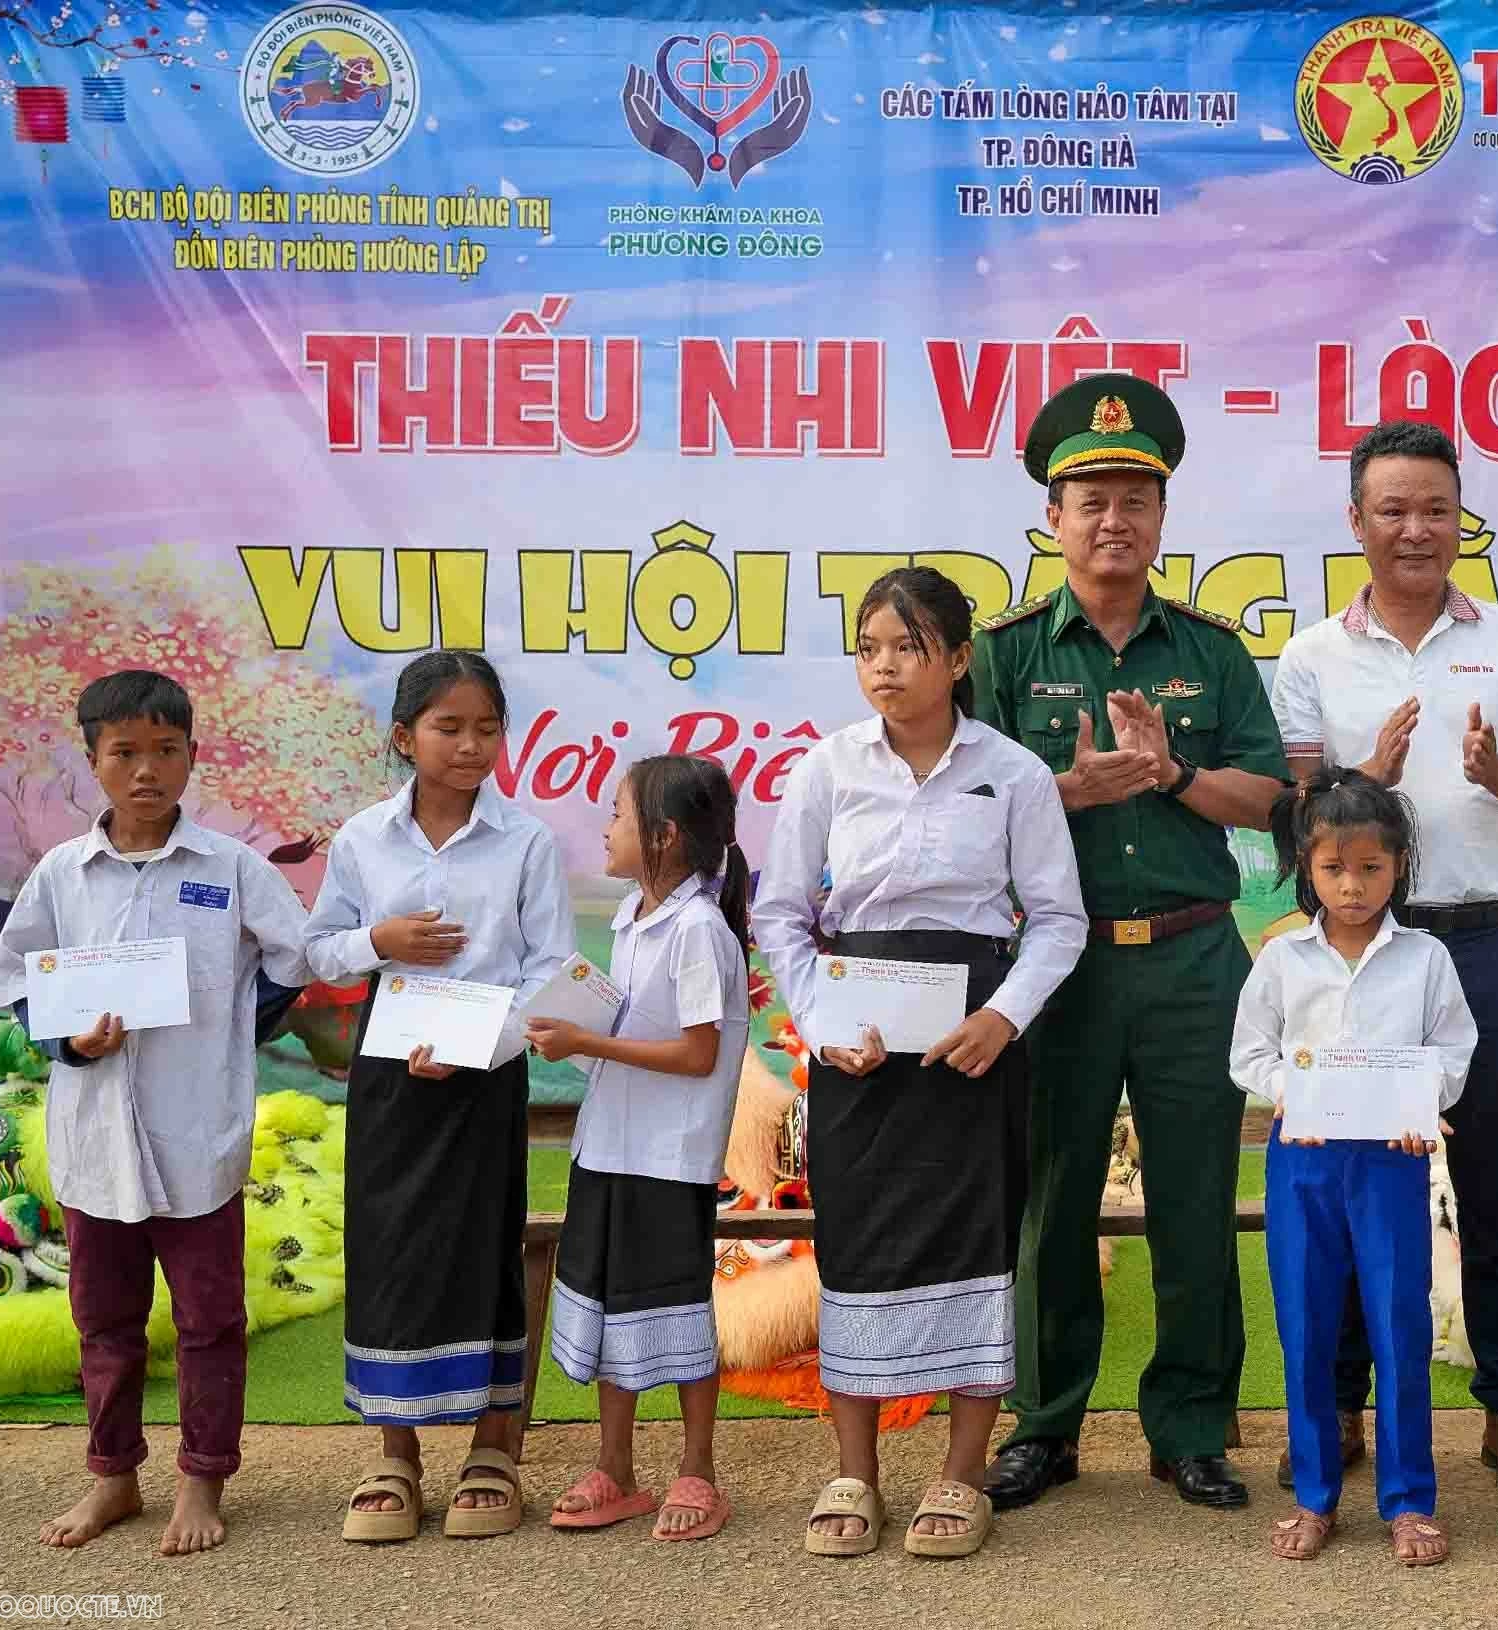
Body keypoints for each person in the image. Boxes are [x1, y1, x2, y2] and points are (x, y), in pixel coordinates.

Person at [974, 373, 1287, 1514]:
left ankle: (1194, 1426)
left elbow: (1269, 797)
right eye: (1090, 497)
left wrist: (1172, 774)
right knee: (1051, 1200)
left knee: (1197, 1198)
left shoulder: (1209, 652)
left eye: (1136, 498)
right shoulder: (1002, 653)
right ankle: (1045, 1425)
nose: (1114, 519)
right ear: (1051, 518)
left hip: (1197, 959)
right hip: (1057, 963)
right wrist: (1072, 787)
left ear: (1163, 518)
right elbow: (966, 807)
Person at [1269, 418, 1498, 1496]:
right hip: (1366, 956)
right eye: (1392, 509)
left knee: (1495, 1192)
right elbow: (1299, 817)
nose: (1416, 529)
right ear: (1356, 522)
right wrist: (1367, 775)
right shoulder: (1311, 656)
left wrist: (1497, 771)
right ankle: (1345, 1410)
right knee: (1361, 1181)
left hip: (1490, 943)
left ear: (1463, 522)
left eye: (1436, 509)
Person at [754, 566, 1086, 1558]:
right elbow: (781, 915)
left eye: (906, 646)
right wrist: (818, 1022)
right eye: (868, 648)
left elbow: (1059, 922)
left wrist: (1005, 1018)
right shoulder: (827, 768)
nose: (885, 666)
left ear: (955, 657)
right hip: (858, 1047)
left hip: (972, 1044)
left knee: (977, 1238)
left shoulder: (1012, 773)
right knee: (858, 1241)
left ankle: (959, 1473)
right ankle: (855, 1470)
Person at [0, 670, 311, 1556]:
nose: (146, 770)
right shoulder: (63, 872)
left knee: (210, 1321)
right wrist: (67, 1044)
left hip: (196, 1137)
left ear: (192, 757)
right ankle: (113, 1479)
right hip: (95, 1142)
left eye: (165, 751)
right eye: (124, 752)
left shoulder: (230, 868)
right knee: (104, 1319)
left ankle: (202, 1481)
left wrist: (229, 1032)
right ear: (92, 760)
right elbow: (17, 973)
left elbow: (292, 956)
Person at [307, 651, 573, 1542]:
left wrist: (476, 1050)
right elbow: (318, 950)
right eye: (448, 728)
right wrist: (376, 940)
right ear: (403, 735)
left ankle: (494, 1447)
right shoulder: (361, 839)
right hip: (389, 1069)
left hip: (485, 1070)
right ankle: (396, 1456)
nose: (469, 746)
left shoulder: (526, 841)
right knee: (390, 1247)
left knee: (484, 1239)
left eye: (486, 728)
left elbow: (548, 977)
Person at [1231, 769, 1477, 1567]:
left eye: (1370, 868)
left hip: (1391, 1165)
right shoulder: (1280, 960)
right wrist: (1289, 1096)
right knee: (1304, 1327)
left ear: (1399, 865)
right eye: (1334, 868)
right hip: (1303, 1163)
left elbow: (1452, 1051)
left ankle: (1408, 1501)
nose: (1353, 885)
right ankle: (1313, 1496)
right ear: (1307, 865)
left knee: (1398, 1327)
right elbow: (1250, 1055)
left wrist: (1421, 1105)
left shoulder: (1425, 958)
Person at [529, 755, 753, 1542]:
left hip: (668, 1158)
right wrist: (577, 1038)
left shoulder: (697, 931)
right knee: (608, 1305)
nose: (605, 829)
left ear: (662, 837)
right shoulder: (630, 919)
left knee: (675, 1306)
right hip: (608, 1147)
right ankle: (615, 1468)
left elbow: (696, 1055)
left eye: (618, 816)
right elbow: (628, 1039)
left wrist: (586, 1036)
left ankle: (698, 1470)